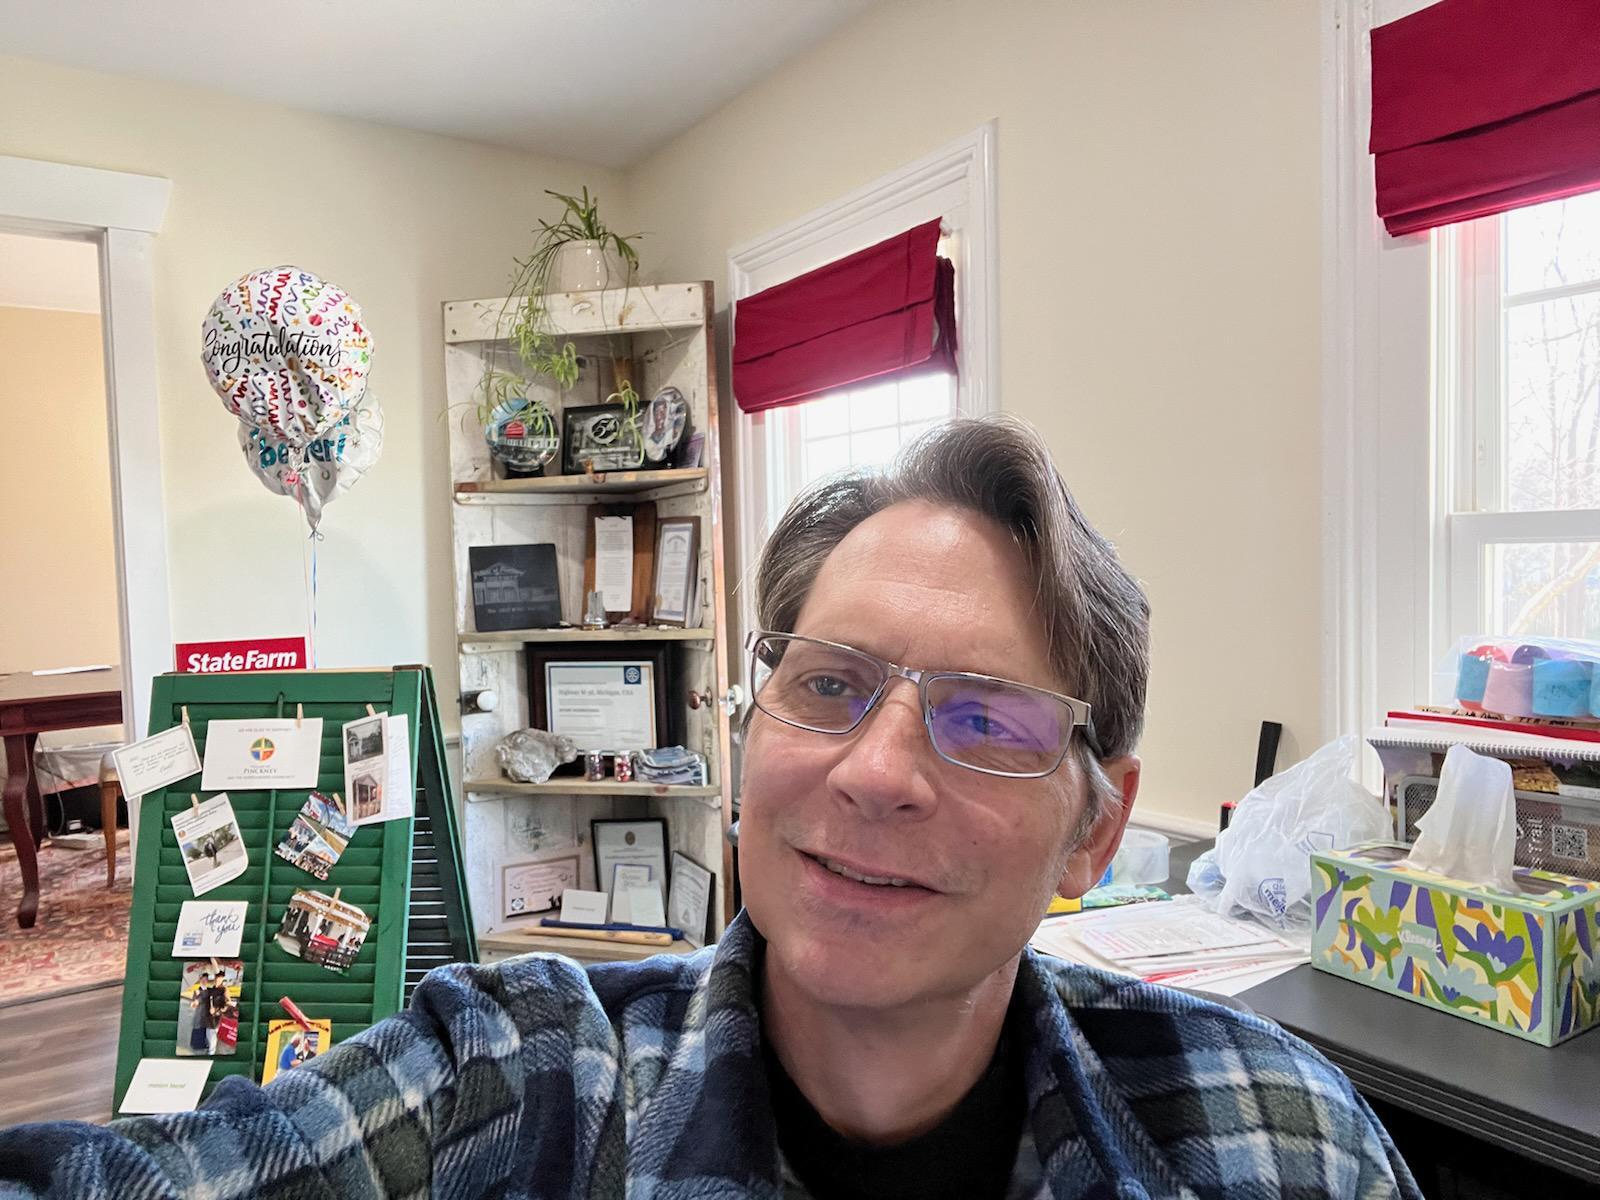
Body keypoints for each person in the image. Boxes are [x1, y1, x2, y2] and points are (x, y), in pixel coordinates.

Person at [0, 417, 1419, 1198]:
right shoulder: (529, 1085)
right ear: (746, 737)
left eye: (985, 719)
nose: (874, 771)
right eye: (828, 684)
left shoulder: (1281, 1138)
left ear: (1095, 830)